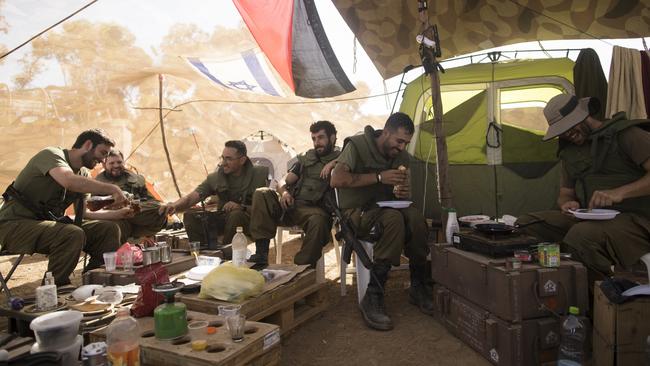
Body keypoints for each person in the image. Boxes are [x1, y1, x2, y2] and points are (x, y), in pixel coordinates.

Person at [517, 94, 650, 288]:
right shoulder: (570, 151)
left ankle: (599, 301)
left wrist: (619, 193)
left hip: (638, 221)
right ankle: (547, 290)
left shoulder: (627, 135)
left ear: (584, 115)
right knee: (526, 225)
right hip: (590, 218)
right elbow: (565, 193)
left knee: (581, 236)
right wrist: (567, 204)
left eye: (570, 126)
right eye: (561, 131)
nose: (567, 134)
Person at [330, 112, 432, 331]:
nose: (402, 147)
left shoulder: (401, 157)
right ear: (386, 132)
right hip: (356, 212)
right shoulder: (357, 146)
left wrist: (402, 190)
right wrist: (378, 177)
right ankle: (373, 295)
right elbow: (336, 179)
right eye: (399, 141)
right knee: (393, 220)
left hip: (385, 208)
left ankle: (418, 285)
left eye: (406, 143)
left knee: (416, 218)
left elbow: (402, 196)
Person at [0, 129, 130, 286]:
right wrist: (113, 189)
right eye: (103, 153)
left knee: (108, 229)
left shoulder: (82, 174)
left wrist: (119, 214)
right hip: (13, 225)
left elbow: (84, 213)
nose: (104, 160)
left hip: (46, 227)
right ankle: (55, 288)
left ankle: (95, 281)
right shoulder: (51, 154)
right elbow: (68, 180)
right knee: (71, 233)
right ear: (88, 145)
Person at [248, 121, 339, 265]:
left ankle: (302, 268)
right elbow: (283, 181)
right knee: (262, 193)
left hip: (313, 211)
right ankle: (261, 253)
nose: (317, 143)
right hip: (291, 205)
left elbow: (353, 161)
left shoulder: (342, 158)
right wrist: (284, 193)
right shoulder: (306, 159)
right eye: (314, 139)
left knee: (319, 222)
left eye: (321, 137)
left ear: (332, 138)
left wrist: (334, 163)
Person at [159, 140, 268, 252]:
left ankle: (226, 254)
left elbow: (266, 210)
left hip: (249, 221)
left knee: (236, 215)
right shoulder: (216, 178)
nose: (223, 163)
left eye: (229, 159)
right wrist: (174, 206)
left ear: (242, 160)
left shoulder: (259, 175)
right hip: (224, 219)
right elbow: (191, 198)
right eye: (223, 158)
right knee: (191, 216)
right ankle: (204, 254)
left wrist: (241, 207)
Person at [95, 150, 167, 244]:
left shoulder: (136, 179)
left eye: (119, 162)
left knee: (160, 208)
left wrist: (132, 206)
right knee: (114, 226)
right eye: (112, 163)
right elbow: (94, 209)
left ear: (123, 162)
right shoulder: (97, 184)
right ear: (104, 165)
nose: (116, 165)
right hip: (116, 220)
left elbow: (151, 201)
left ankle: (140, 236)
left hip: (138, 218)